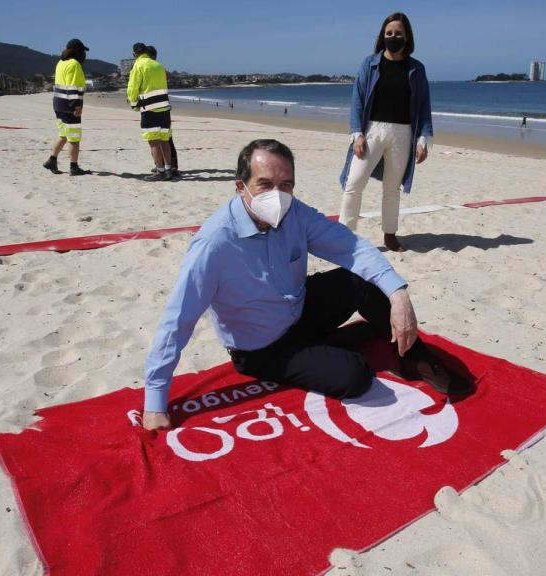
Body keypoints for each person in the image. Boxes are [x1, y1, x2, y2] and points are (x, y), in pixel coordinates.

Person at [140, 139, 462, 430]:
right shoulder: (214, 243)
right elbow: (178, 319)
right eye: (264, 184)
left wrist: (398, 293)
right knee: (356, 376)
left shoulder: (295, 214)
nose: (276, 196)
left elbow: (351, 247)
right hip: (262, 348)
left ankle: (417, 359)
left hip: (297, 309)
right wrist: (155, 401)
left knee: (362, 280)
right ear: (241, 187)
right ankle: (331, 347)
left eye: (286, 185)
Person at [339, 12, 433, 253]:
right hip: (372, 131)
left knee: (392, 189)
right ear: (383, 36)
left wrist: (423, 139)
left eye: (398, 33)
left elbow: (423, 106)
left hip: (403, 134)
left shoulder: (417, 69)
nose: (393, 36)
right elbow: (357, 100)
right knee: (354, 182)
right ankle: (344, 235)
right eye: (389, 33)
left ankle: (390, 235)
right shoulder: (370, 64)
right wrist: (357, 133)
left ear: (407, 36)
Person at [128, 42, 174, 181]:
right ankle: (168, 170)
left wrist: (134, 104)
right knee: (165, 140)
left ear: (134, 54)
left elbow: (133, 87)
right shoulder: (158, 65)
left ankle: (159, 171)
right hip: (164, 108)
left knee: (153, 141)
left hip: (150, 109)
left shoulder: (138, 65)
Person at [43, 38, 90, 176]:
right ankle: (74, 167)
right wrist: (77, 105)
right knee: (74, 138)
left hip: (58, 103)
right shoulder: (75, 64)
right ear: (78, 51)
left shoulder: (60, 63)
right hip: (69, 104)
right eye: (82, 51)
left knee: (63, 135)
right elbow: (73, 86)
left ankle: (52, 160)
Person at [146, 45, 180, 178]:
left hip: (159, 107)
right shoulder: (158, 68)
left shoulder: (157, 68)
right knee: (160, 138)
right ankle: (161, 165)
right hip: (160, 107)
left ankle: (172, 166)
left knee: (165, 139)